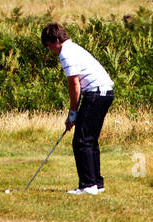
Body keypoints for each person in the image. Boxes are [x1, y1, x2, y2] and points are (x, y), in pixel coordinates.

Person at [40, 22, 114, 195]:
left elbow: (74, 85)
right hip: (105, 93)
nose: (50, 50)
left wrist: (72, 113)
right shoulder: (74, 48)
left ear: (57, 40)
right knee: (90, 139)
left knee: (81, 141)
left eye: (49, 46)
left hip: (96, 94)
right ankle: (97, 183)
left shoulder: (66, 53)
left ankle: (88, 185)